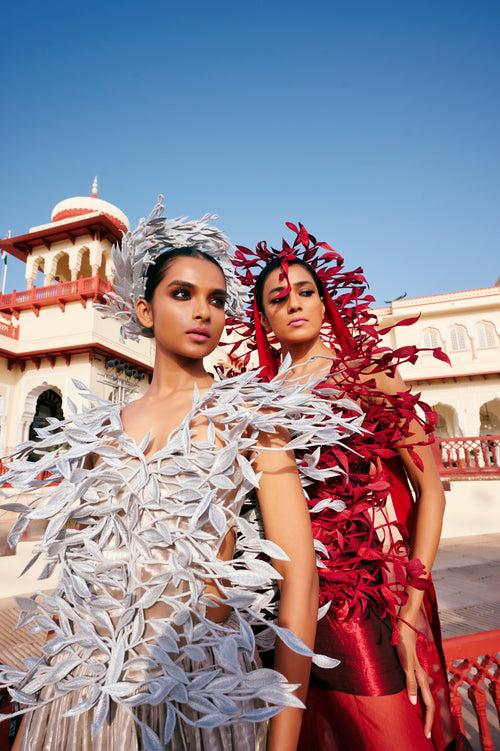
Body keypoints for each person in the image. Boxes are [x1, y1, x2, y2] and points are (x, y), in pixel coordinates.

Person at [0, 201, 364, 751]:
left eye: (217, 300)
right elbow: (79, 576)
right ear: (144, 311)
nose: (204, 312)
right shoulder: (97, 432)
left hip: (202, 692)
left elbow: (300, 579)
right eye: (182, 294)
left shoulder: (251, 419)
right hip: (87, 691)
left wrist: (284, 736)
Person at [229, 222, 472, 750]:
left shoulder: (370, 375)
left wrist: (410, 609)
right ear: (264, 320)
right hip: (283, 604)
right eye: (277, 298)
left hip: (362, 600)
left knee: (393, 735)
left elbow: (431, 489)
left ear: (323, 302)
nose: (294, 303)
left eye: (306, 292)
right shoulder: (259, 403)